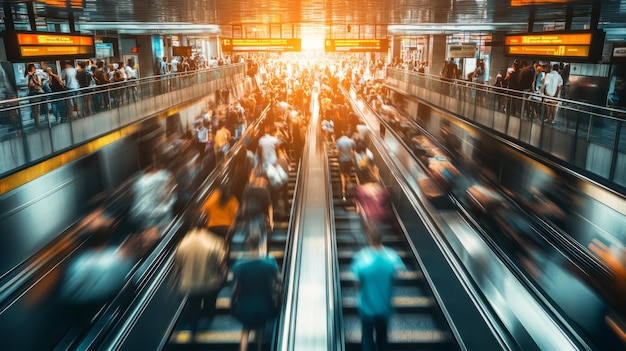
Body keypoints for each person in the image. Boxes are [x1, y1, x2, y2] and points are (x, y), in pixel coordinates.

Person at [350, 224, 406, 351]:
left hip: (367, 308)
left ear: (369, 238)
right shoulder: (392, 256)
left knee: (367, 338)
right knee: (382, 339)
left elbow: (356, 284)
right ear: (382, 238)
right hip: (384, 307)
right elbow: (399, 273)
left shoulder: (361, 257)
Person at [174, 217, 227, 336]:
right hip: (210, 283)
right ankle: (208, 322)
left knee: (194, 307)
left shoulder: (183, 243)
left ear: (193, 225)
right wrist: (223, 275)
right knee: (210, 306)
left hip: (190, 285)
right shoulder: (215, 241)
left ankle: (194, 328)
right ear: (206, 225)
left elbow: (179, 265)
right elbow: (221, 265)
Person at [231, 232, 280, 351]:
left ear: (248, 245)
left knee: (245, 330)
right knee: (260, 329)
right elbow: (278, 282)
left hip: (245, 305)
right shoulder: (270, 261)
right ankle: (259, 348)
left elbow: (235, 287)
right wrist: (278, 298)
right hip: (264, 304)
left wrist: (232, 302)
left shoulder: (240, 263)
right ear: (260, 243)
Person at [201, 182, 239, 246]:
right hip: (226, 228)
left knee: (213, 247)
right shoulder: (232, 199)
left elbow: (203, 208)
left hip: (212, 228)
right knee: (225, 246)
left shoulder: (213, 197)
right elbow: (236, 214)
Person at [335, 129, 356, 200]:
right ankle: (349, 188)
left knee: (342, 175)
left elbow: (337, 152)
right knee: (348, 174)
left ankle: (343, 190)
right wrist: (353, 159)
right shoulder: (351, 141)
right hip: (349, 160)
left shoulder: (339, 141)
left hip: (342, 160)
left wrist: (337, 155)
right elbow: (353, 151)